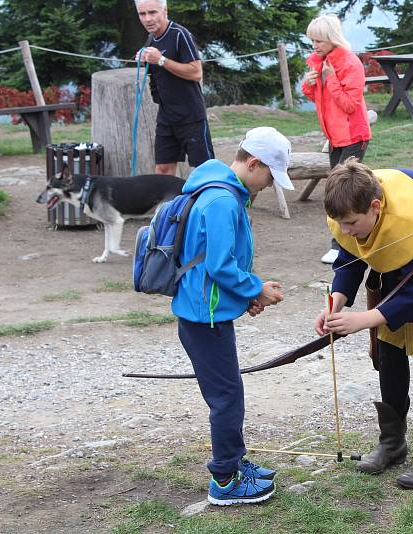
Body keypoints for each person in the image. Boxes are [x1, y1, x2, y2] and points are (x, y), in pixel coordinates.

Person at [314, 159, 413, 489]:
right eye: (341, 224)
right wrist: (337, 303)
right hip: (398, 258)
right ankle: (392, 443)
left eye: (351, 223)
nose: (346, 230)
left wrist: (363, 319)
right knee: (389, 346)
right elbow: (349, 259)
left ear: (375, 207)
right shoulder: (352, 215)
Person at [173, 127, 295, 505]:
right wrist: (254, 288)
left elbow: (214, 268)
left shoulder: (217, 190)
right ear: (254, 163)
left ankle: (236, 462)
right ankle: (225, 480)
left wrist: (246, 297)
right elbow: (221, 266)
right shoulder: (224, 201)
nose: (267, 185)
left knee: (228, 393)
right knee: (227, 397)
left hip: (205, 313)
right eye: (269, 177)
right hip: (203, 319)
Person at [301, 14, 372, 265]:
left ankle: (342, 245)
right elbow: (321, 101)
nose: (315, 46)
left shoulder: (350, 64)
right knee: (338, 188)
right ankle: (345, 240)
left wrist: (329, 79)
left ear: (332, 38)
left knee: (344, 190)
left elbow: (350, 104)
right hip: (335, 137)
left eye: (319, 40)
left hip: (353, 135)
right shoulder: (320, 63)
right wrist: (310, 85)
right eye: (312, 41)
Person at [136, 0, 215, 175]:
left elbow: (196, 72)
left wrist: (161, 61)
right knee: (163, 169)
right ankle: (166, 203)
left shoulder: (180, 34)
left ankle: (208, 202)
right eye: (142, 14)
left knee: (204, 170)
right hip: (166, 115)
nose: (148, 19)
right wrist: (144, 60)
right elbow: (157, 72)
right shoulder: (151, 39)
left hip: (191, 115)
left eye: (152, 12)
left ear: (165, 11)